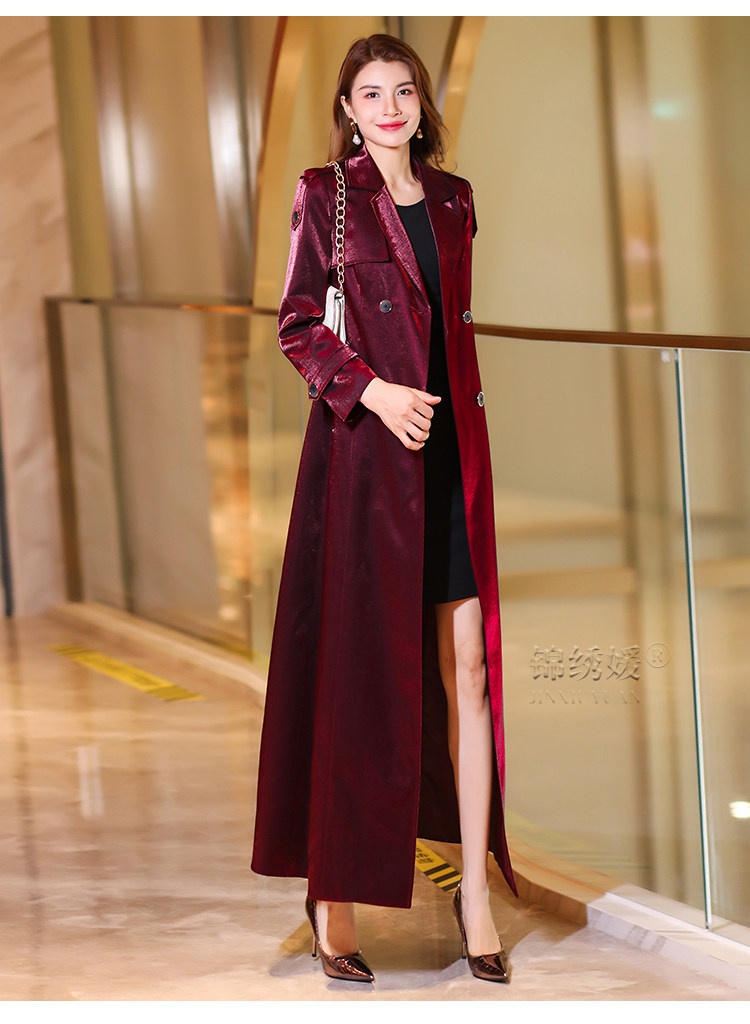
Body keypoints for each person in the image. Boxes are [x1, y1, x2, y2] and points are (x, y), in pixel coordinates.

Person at [251, 33, 515, 985]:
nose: (392, 107)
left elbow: (452, 330)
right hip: (366, 466)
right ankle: (335, 898)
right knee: (360, 678)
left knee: (469, 669)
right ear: (348, 108)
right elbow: (297, 325)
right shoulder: (326, 195)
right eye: (372, 93)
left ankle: (475, 894)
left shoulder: (454, 200)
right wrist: (371, 389)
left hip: (451, 462)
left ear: (421, 101)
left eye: (404, 90)